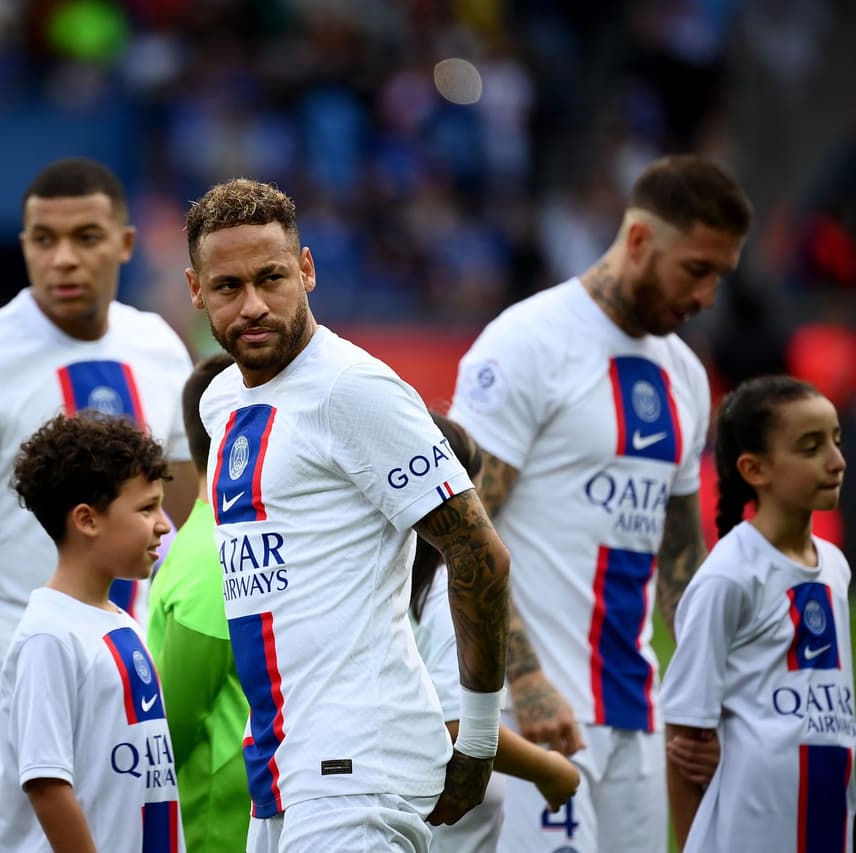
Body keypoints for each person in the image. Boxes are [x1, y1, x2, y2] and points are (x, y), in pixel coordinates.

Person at [185, 177, 511, 852]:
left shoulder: (352, 388)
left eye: (271, 277)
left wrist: (478, 738)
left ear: (307, 270)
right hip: (280, 766)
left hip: (357, 767)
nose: (252, 305)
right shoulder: (220, 403)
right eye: (227, 287)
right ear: (196, 291)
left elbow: (479, 551)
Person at [448, 153, 753, 853]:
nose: (707, 295)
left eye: (721, 276)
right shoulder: (527, 343)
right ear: (641, 240)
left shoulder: (681, 372)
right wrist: (522, 680)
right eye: (697, 269)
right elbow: (464, 531)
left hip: (632, 711)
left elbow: (680, 558)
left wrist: (714, 690)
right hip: (534, 711)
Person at [0, 157, 199, 849]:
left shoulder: (158, 346)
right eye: (44, 239)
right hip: (13, 667)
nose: (63, 258)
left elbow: (192, 525)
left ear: (126, 244)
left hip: (133, 662)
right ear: (24, 245)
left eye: (87, 237)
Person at [661, 375, 852, 852]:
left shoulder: (835, 566)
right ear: (755, 469)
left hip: (827, 817)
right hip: (750, 831)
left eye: (836, 441)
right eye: (811, 448)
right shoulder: (729, 577)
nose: (837, 462)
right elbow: (684, 740)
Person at [0, 412, 184, 852]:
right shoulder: (49, 636)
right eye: (145, 508)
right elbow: (46, 784)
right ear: (87, 520)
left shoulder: (119, 623)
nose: (162, 524)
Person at [411, 411, 581, 852]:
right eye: (473, 492)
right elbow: (454, 724)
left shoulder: (381, 587)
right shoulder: (445, 599)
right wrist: (549, 769)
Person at [145, 350, 251, 853]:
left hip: (222, 817)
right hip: (218, 821)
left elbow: (171, 723)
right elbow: (176, 724)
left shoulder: (208, 545)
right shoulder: (217, 554)